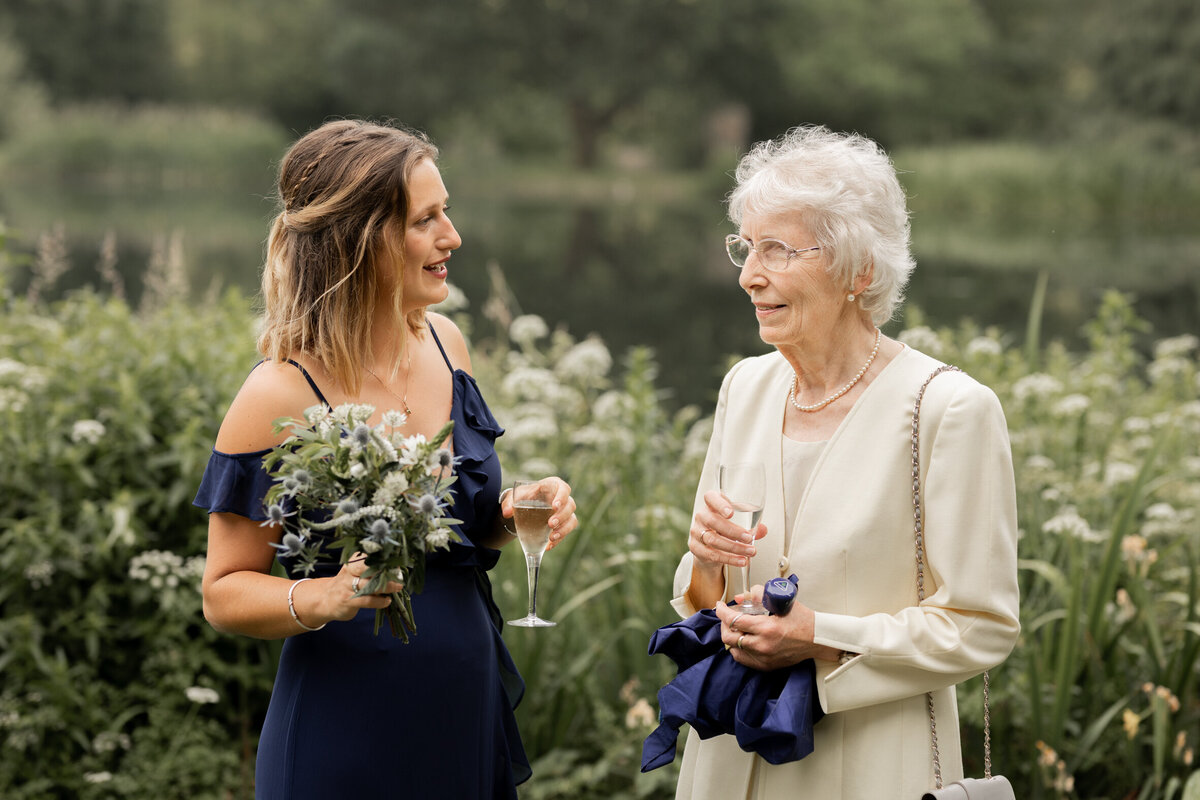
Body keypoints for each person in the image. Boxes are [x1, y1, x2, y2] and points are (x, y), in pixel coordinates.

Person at [194, 119, 578, 799]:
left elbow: (464, 526)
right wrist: (324, 595)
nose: (452, 237)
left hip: (463, 705)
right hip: (343, 732)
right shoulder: (278, 393)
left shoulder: (447, 344)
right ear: (360, 241)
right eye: (426, 219)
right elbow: (224, 591)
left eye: (446, 213)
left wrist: (513, 512)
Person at [669, 126, 1020, 799]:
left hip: (872, 764)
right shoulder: (745, 386)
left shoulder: (946, 410)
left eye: (779, 249)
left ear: (860, 270)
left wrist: (820, 637)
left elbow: (980, 627)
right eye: (746, 246)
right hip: (728, 759)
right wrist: (707, 560)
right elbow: (707, 597)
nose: (749, 274)